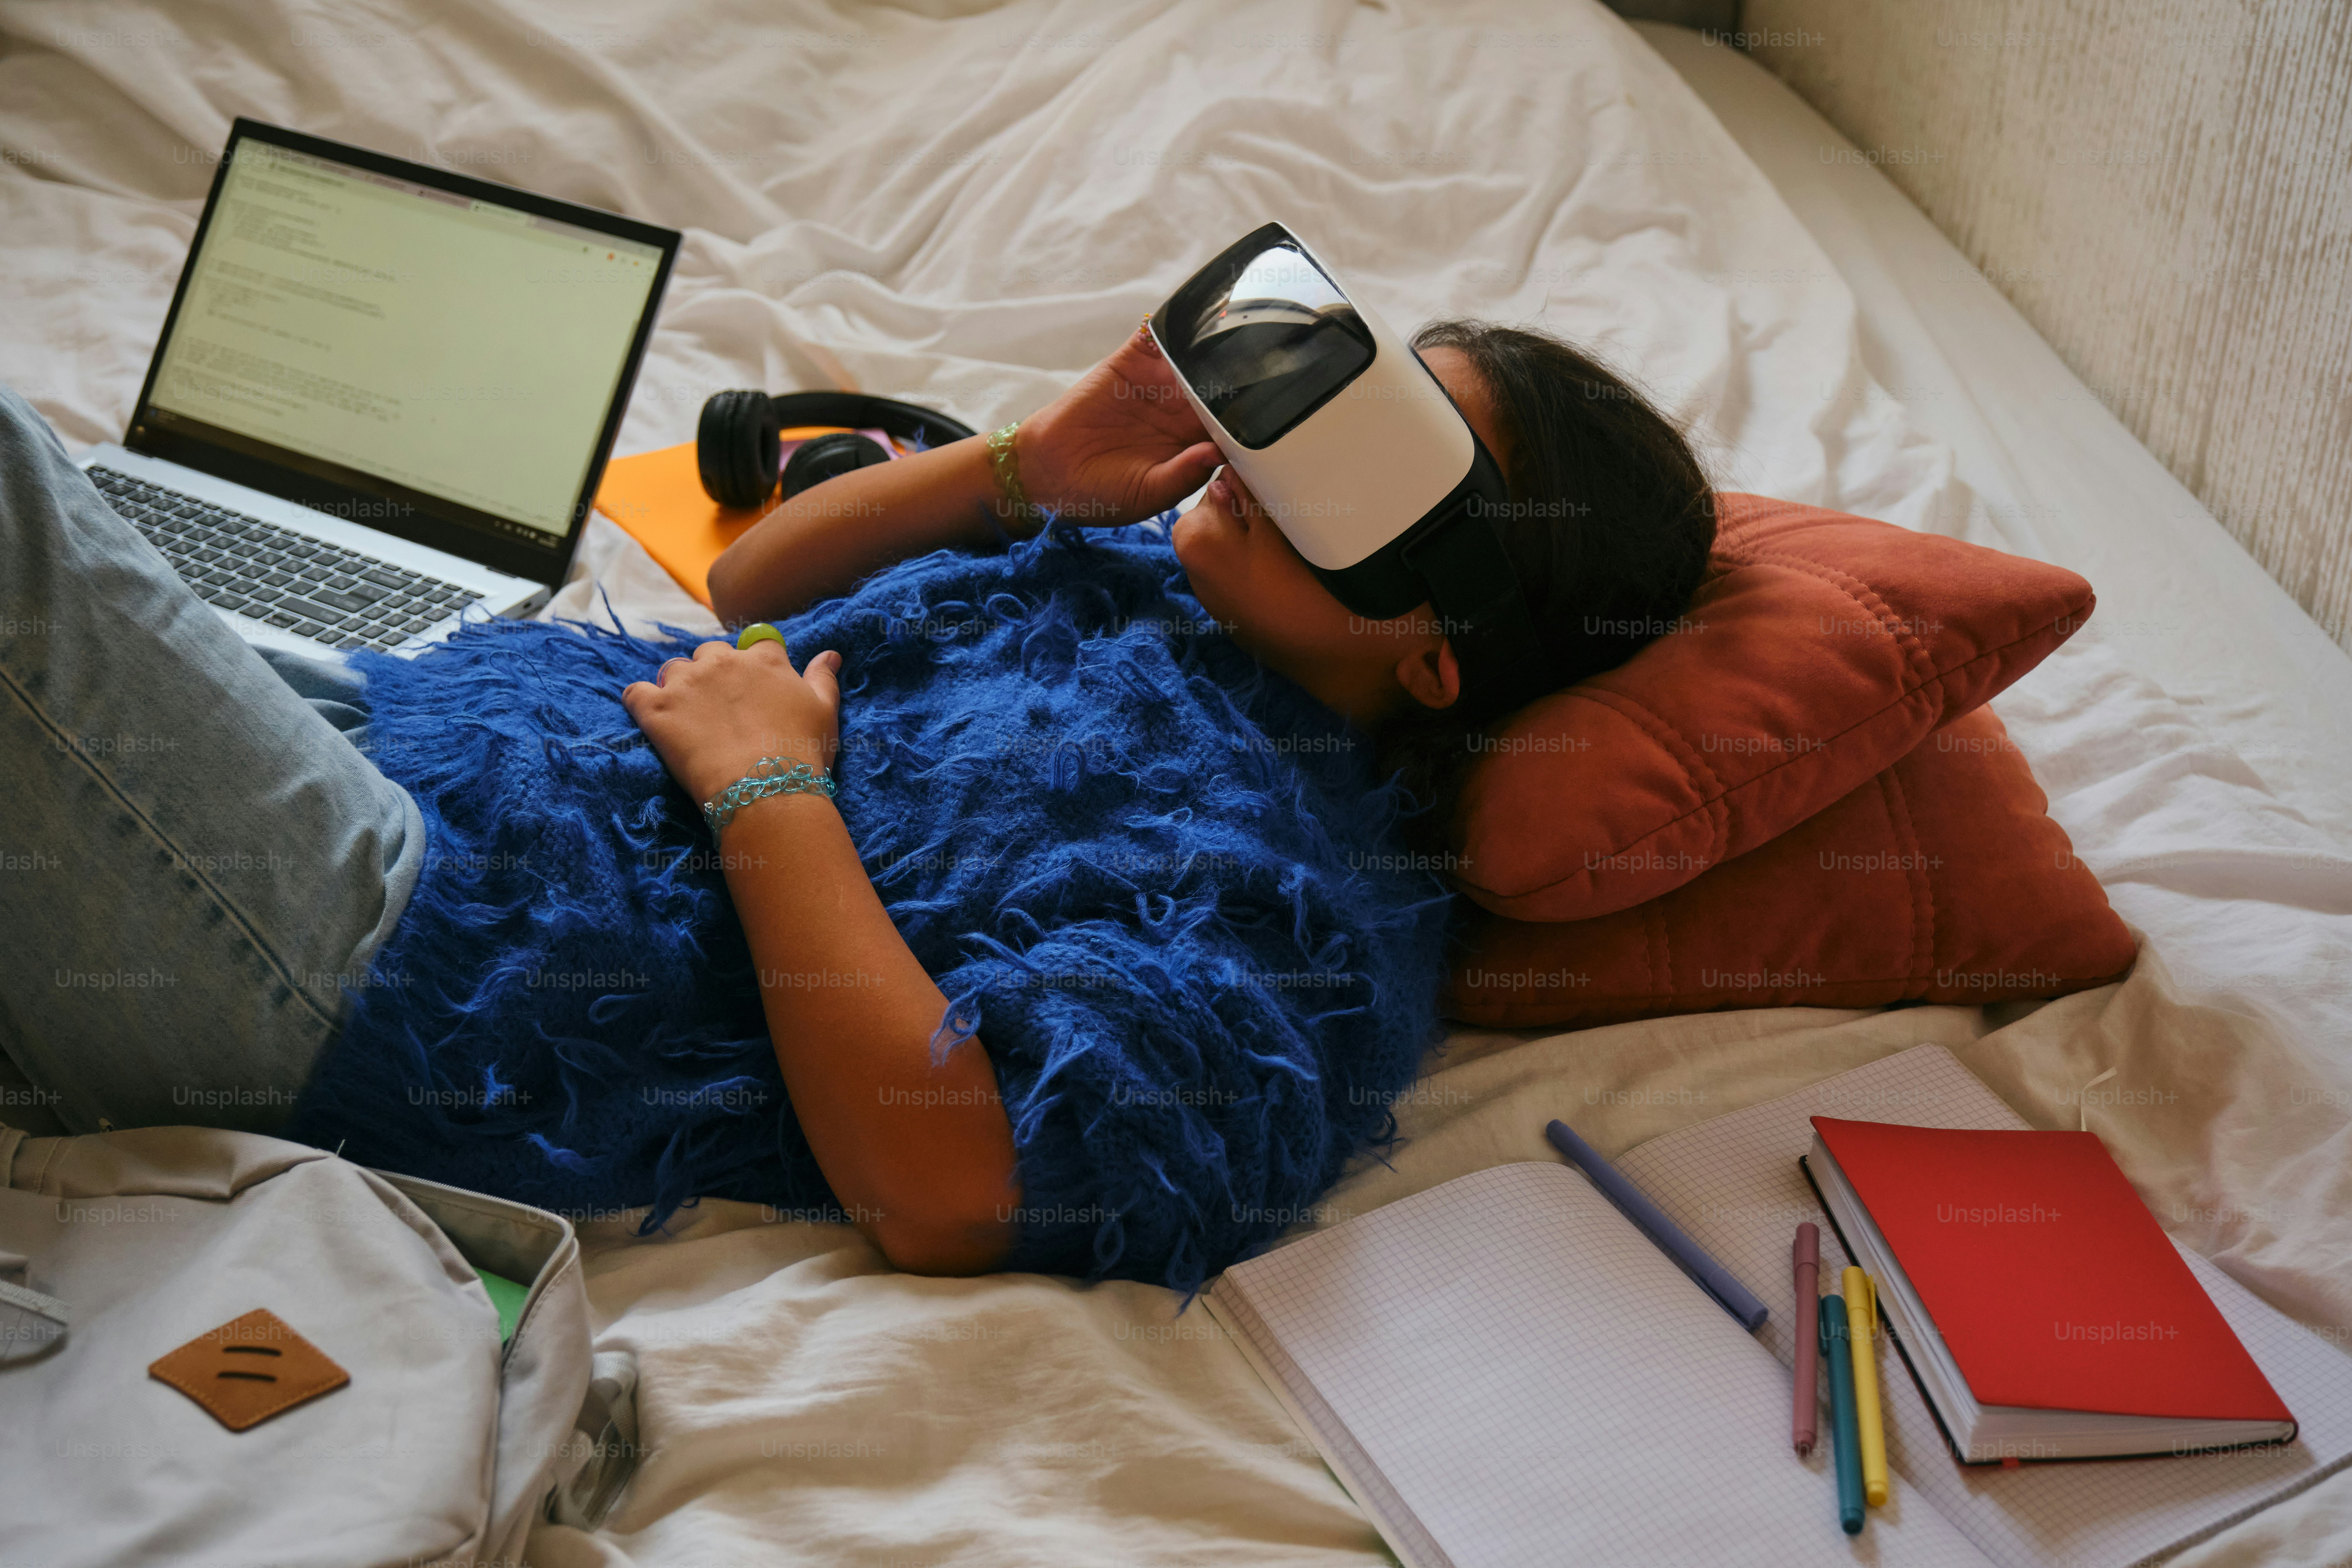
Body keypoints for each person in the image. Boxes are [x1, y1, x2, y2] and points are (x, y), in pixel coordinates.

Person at [0, 317, 1712, 1287]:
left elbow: (957, 1182)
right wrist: (1025, 463)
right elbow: (755, 575)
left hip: (409, 977)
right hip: (415, 742)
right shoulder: (1149, 564)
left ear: (1437, 658)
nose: (1279, 458)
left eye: (1372, 477)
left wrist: (765, 793)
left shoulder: (1292, 906)